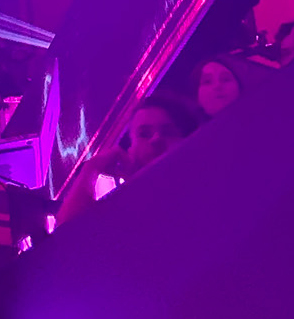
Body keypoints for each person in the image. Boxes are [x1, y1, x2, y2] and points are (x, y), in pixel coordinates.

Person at [56, 95, 196, 225]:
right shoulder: (124, 207)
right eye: (144, 134)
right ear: (131, 149)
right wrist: (90, 169)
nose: (156, 139)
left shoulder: (197, 189)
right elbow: (66, 233)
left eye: (168, 132)